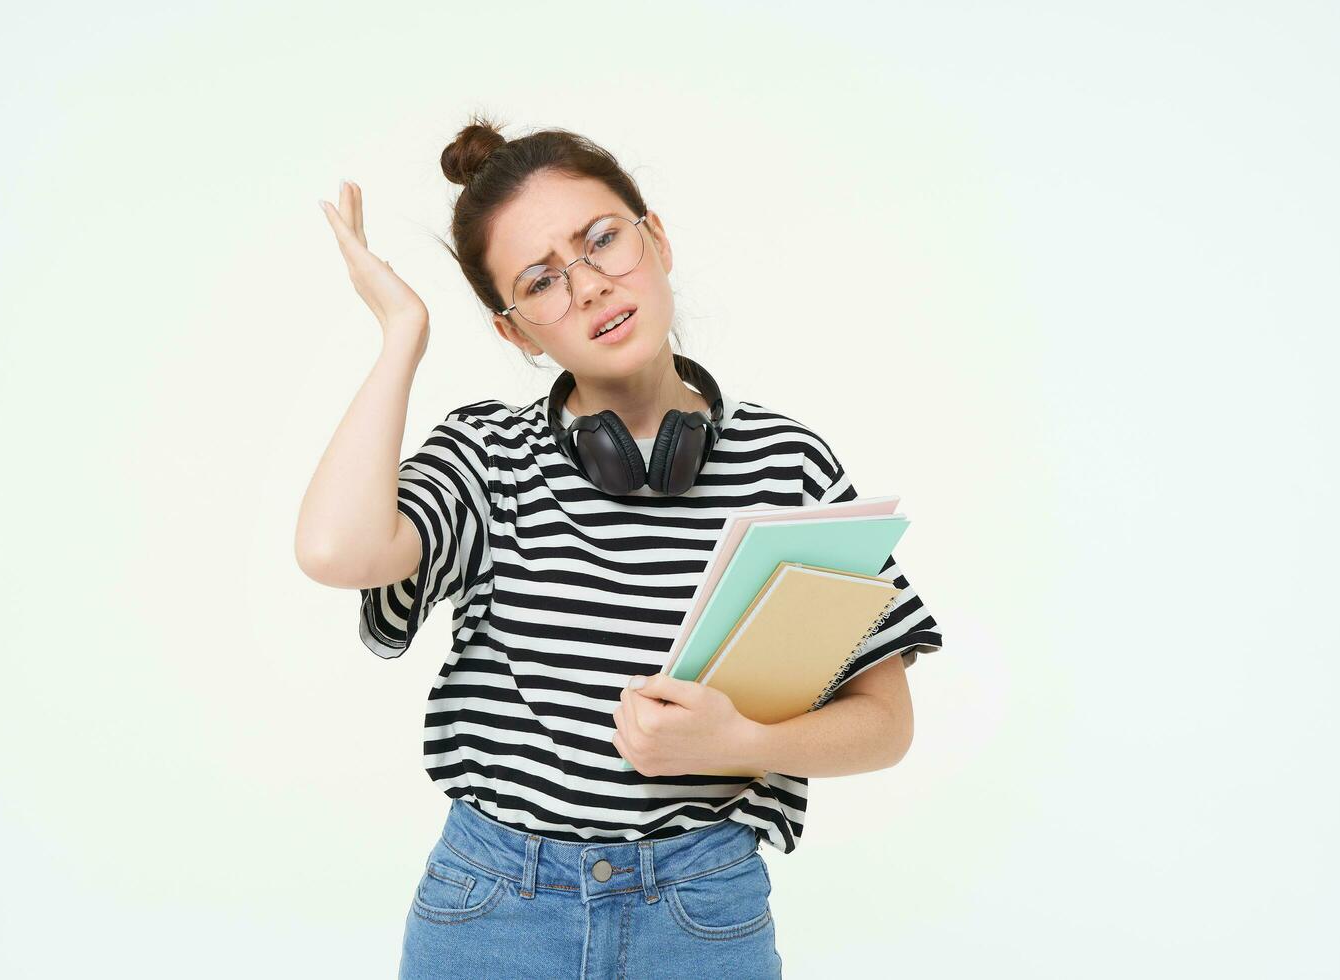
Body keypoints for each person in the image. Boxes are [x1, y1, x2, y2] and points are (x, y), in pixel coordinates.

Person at [297, 114, 944, 979]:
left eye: (603, 240)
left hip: (701, 909)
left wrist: (737, 742)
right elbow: (337, 550)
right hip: (493, 909)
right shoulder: (488, 457)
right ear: (515, 330)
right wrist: (401, 333)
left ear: (659, 239)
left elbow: (886, 724)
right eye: (541, 282)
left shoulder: (790, 464)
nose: (591, 286)